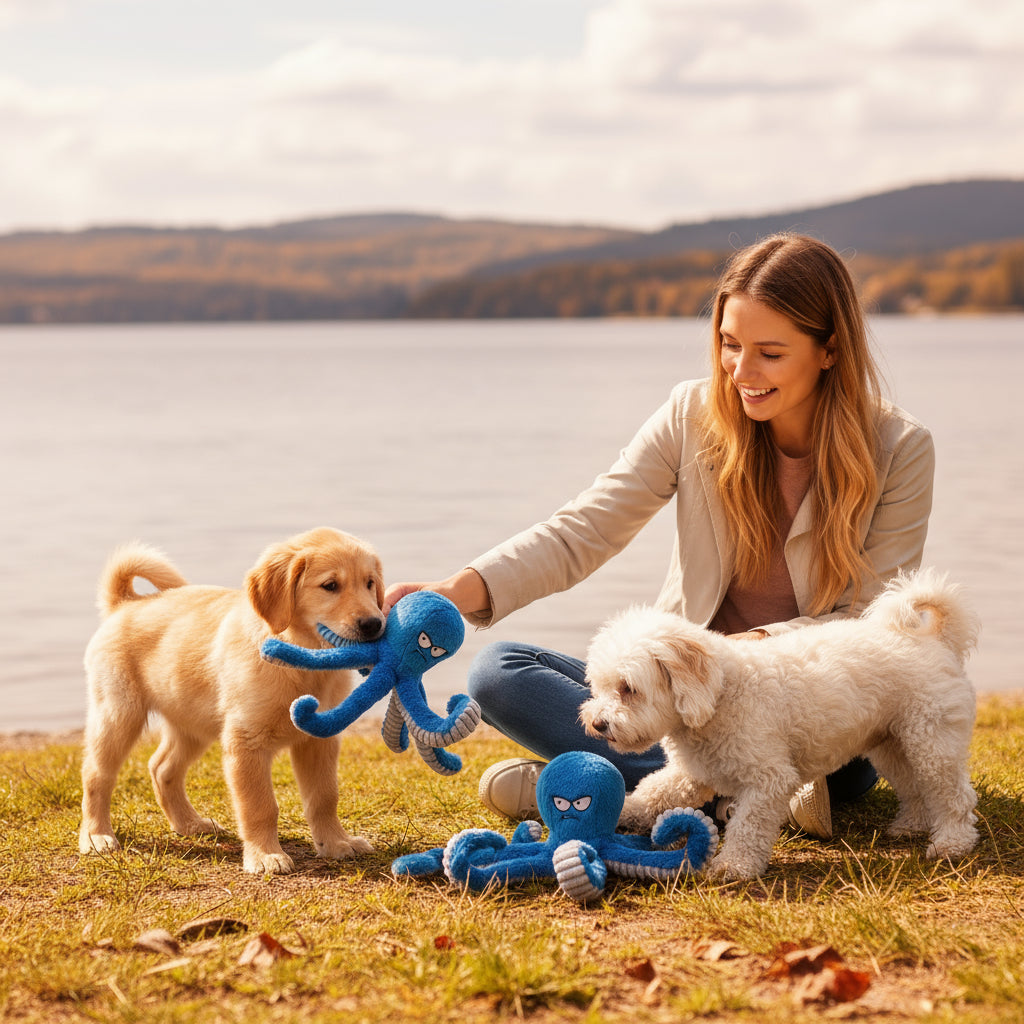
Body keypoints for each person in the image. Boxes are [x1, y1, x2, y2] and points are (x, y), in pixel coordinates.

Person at [383, 233, 934, 839]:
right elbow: (586, 527)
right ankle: (722, 795)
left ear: (828, 349)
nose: (741, 372)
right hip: (671, 696)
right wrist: (457, 590)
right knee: (497, 673)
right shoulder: (690, 415)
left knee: (848, 766)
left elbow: (871, 621)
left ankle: (601, 787)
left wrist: (738, 653)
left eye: (769, 353)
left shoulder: (900, 449)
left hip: (809, 707)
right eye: (729, 345)